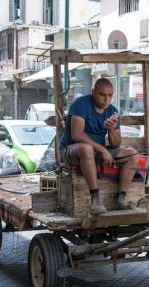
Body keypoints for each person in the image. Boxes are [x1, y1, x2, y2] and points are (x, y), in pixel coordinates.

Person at [59, 78, 138, 214]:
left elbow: (115, 144)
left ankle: (121, 199)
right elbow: (77, 134)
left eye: (110, 95)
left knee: (132, 154)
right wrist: (102, 149)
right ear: (93, 92)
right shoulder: (81, 103)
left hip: (95, 152)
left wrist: (111, 129)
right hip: (71, 150)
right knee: (86, 148)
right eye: (102, 95)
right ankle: (95, 200)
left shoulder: (112, 111)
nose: (106, 100)